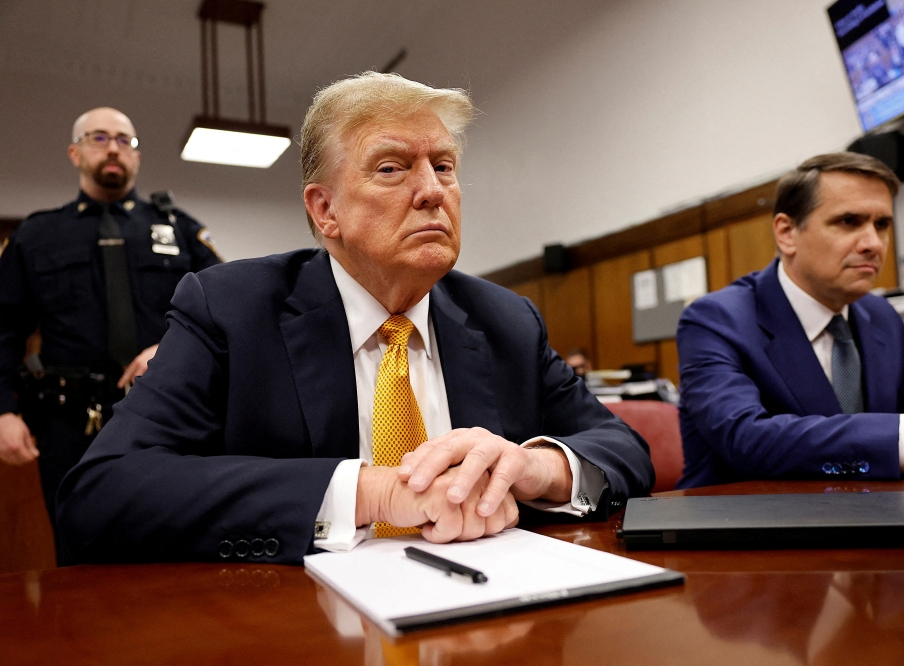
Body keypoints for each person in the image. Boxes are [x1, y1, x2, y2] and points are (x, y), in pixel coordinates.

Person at [57, 73, 653, 565]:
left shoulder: (505, 319)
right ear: (325, 210)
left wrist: (533, 467)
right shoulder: (230, 309)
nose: (432, 191)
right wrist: (373, 492)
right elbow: (104, 492)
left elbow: (622, 448)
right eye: (392, 168)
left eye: (444, 167)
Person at [675, 152, 904, 488]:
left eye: (882, 225)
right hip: (740, 525)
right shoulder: (715, 319)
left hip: (875, 515)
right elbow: (746, 439)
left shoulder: (880, 315)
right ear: (787, 232)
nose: (874, 244)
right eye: (849, 221)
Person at [0, 107, 221, 563]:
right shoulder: (37, 235)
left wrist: (169, 347)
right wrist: (2, 411)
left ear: (137, 157)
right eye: (99, 138)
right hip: (66, 422)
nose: (114, 148)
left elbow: (224, 312)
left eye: (126, 140)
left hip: (164, 412)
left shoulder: (179, 229)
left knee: (171, 543)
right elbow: (3, 329)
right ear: (75, 152)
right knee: (78, 549)